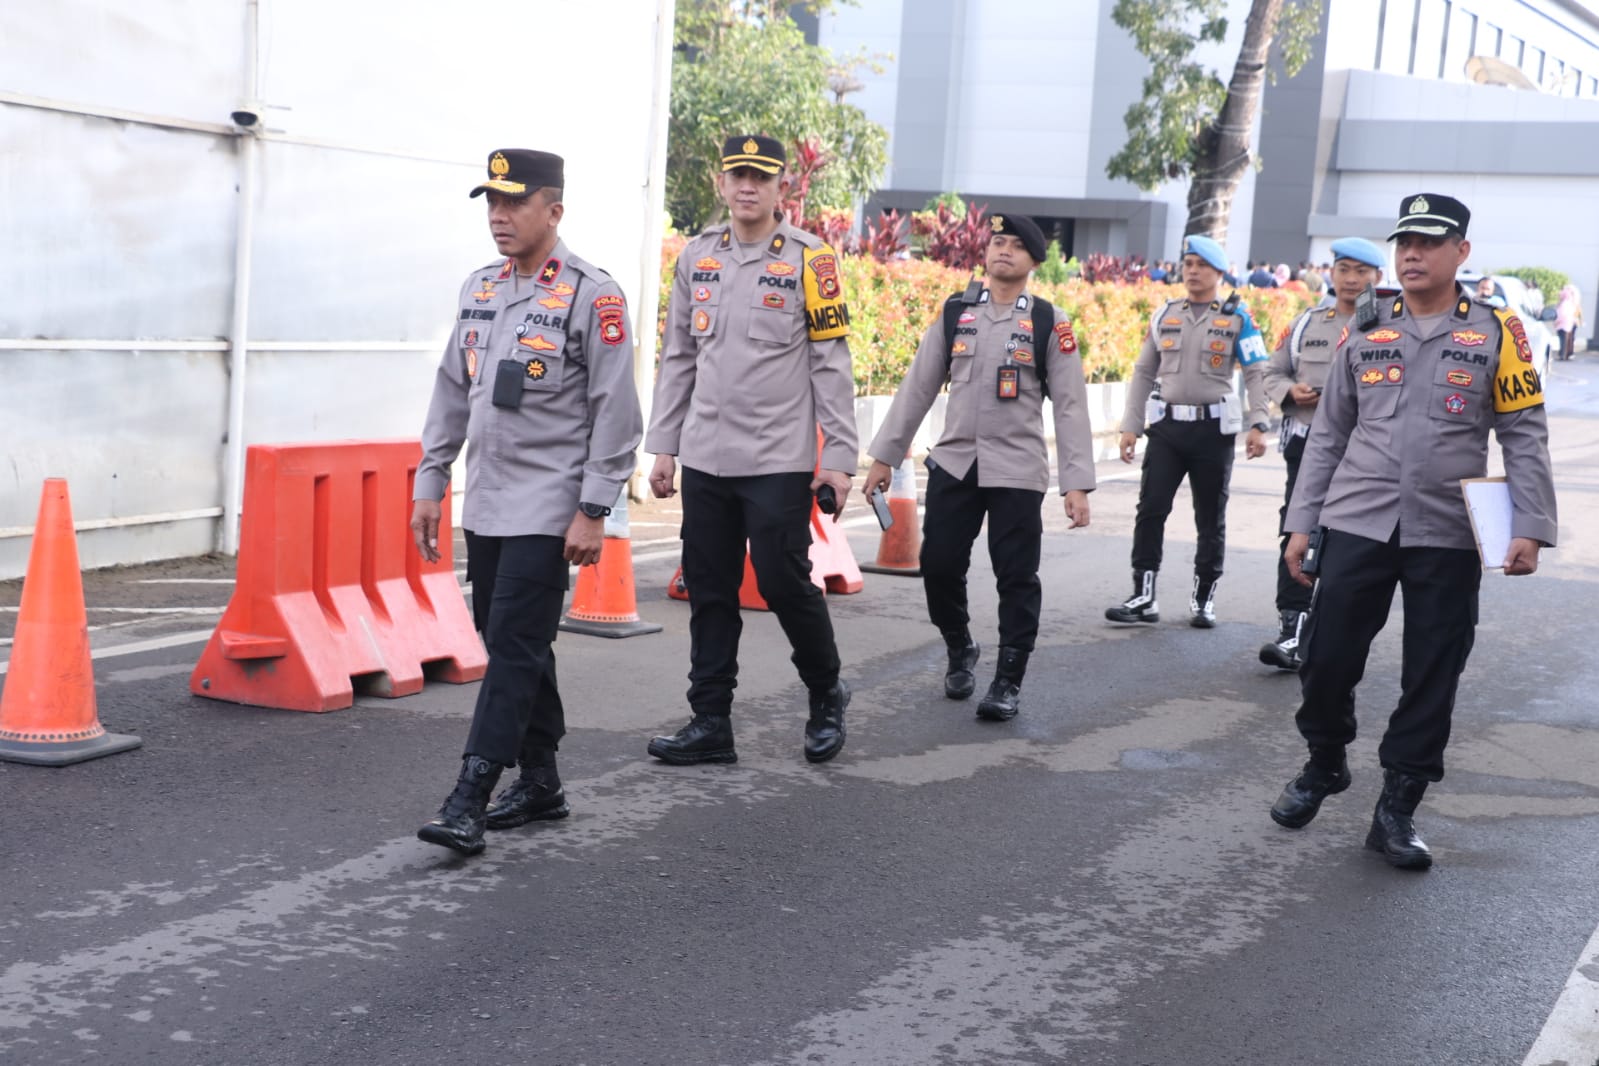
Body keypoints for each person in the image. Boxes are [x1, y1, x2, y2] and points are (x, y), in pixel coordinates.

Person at [1269, 193, 1557, 870]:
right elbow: (1328, 432)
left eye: (1429, 243)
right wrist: (1300, 522)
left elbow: (1522, 433)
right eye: (1404, 242)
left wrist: (1531, 526)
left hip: (1448, 530)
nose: (1411, 254)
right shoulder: (1366, 328)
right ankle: (1324, 759)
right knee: (1324, 655)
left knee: (1432, 671)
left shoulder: (1496, 332)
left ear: (1460, 251)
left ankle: (1396, 807)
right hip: (1358, 519)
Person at [409, 149, 644, 856]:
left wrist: (594, 508)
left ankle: (470, 796)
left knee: (511, 645)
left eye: (513, 204)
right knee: (513, 637)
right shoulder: (480, 288)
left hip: (550, 504)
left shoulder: (590, 296)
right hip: (488, 501)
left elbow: (617, 413)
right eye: (491, 204)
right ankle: (541, 781)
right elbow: (453, 391)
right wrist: (430, 482)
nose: (499, 217)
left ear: (554, 211)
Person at [645, 134, 858, 766]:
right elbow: (678, 356)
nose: (747, 186)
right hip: (706, 453)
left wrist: (839, 459)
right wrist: (664, 447)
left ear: (780, 188)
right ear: (721, 182)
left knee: (782, 580)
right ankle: (710, 720)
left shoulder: (810, 261)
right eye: (738, 174)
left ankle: (825, 693)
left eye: (760, 177)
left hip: (776, 458)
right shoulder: (697, 257)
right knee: (709, 587)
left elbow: (831, 365)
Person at [862, 214, 1096, 720]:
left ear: (1034, 261)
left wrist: (1076, 484)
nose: (1003, 251)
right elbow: (917, 388)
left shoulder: (1048, 322)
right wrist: (884, 456)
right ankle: (958, 645)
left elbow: (1071, 406)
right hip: (956, 461)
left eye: (1016, 245)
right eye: (996, 242)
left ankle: (1008, 681)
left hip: (1016, 469)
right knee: (940, 564)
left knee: (1016, 577)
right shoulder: (956, 315)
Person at [1105, 235, 1270, 627]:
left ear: (1218, 273)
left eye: (1201, 265)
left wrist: (1259, 423)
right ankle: (1143, 596)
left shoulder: (1238, 318)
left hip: (1212, 430)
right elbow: (1144, 370)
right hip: (1166, 428)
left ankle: (1203, 599)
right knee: (1150, 510)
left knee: (1210, 517)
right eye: (1188, 264)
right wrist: (1131, 425)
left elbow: (1256, 370)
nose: (1192, 272)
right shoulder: (1165, 314)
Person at [1258, 237, 1385, 670]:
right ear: (1331, 273)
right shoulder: (1306, 324)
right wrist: (1289, 392)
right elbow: (1271, 372)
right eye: (1344, 269)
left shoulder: (1389, 325)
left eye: (1362, 272)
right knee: (1297, 527)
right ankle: (1291, 629)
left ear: (1378, 279)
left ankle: (1331, 631)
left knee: (1350, 539)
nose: (1351, 279)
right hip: (1308, 443)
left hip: (1366, 450)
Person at [1555, 283, 1583, 360]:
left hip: (1564, 324)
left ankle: (1564, 354)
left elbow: (1561, 314)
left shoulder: (1565, 303)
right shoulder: (1572, 303)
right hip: (1570, 323)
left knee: (1565, 339)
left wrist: (1557, 321)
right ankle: (1567, 354)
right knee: (1569, 339)